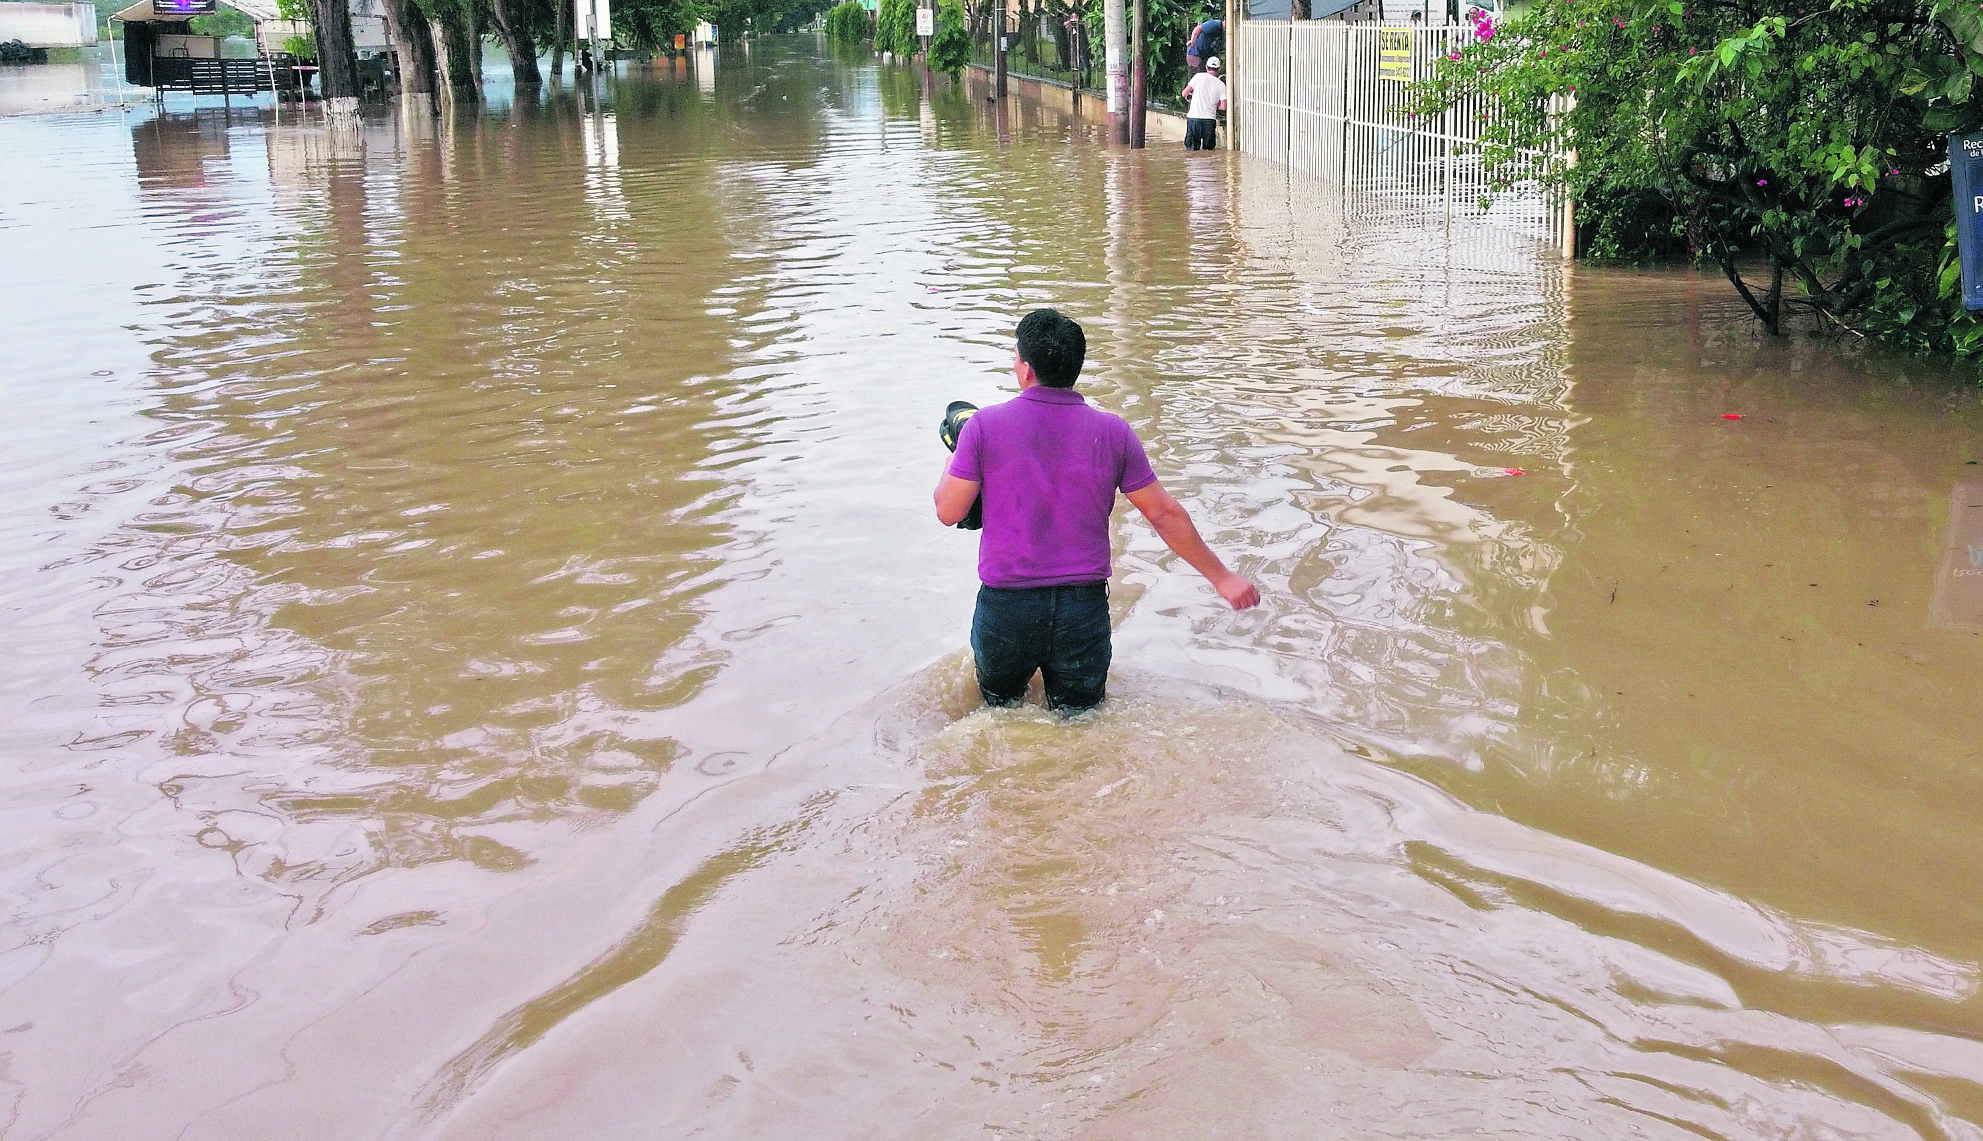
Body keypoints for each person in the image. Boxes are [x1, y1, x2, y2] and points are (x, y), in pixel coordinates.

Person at [933, 309, 1260, 715]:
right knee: (1081, 721)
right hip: (1080, 610)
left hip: (1008, 608)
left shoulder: (983, 427)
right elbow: (1163, 514)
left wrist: (957, 448)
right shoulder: (1113, 432)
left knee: (1001, 716)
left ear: (1026, 369)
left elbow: (949, 511)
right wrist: (1222, 577)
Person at [1181, 58, 1227, 151]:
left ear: (1206, 67)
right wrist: (1215, 104)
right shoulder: (1221, 85)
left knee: (1191, 150)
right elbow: (1223, 107)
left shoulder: (1198, 77)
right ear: (1219, 70)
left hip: (1194, 118)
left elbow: (1184, 93)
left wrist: (1191, 97)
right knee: (1209, 150)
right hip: (1209, 119)